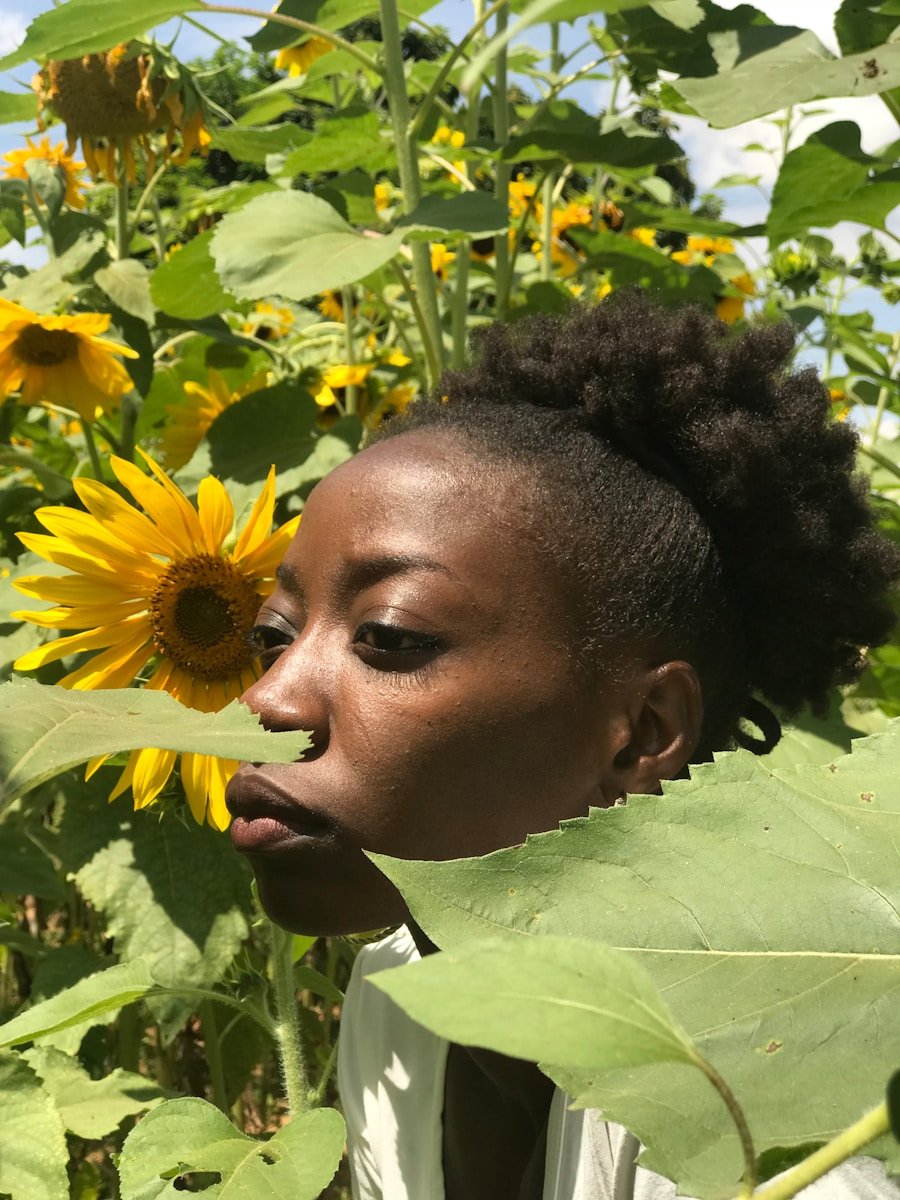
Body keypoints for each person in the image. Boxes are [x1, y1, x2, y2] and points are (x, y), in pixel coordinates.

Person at [224, 292, 900, 1200]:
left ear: (644, 733)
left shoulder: (765, 1131)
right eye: (272, 636)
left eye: (390, 635)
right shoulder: (398, 1000)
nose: (268, 698)